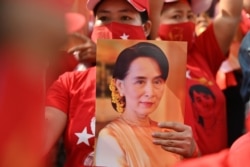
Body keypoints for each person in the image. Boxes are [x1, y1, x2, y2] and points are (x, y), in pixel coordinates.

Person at [88, 0, 198, 158]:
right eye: (104, 18)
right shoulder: (111, 135)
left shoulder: (171, 122)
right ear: (119, 85)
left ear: (146, 28)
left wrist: (193, 151)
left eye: (125, 18)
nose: (149, 92)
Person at [157, 0, 242, 155]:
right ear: (153, 22)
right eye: (176, 16)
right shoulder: (144, 63)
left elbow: (230, 16)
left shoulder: (201, 52)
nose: (186, 22)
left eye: (190, 16)